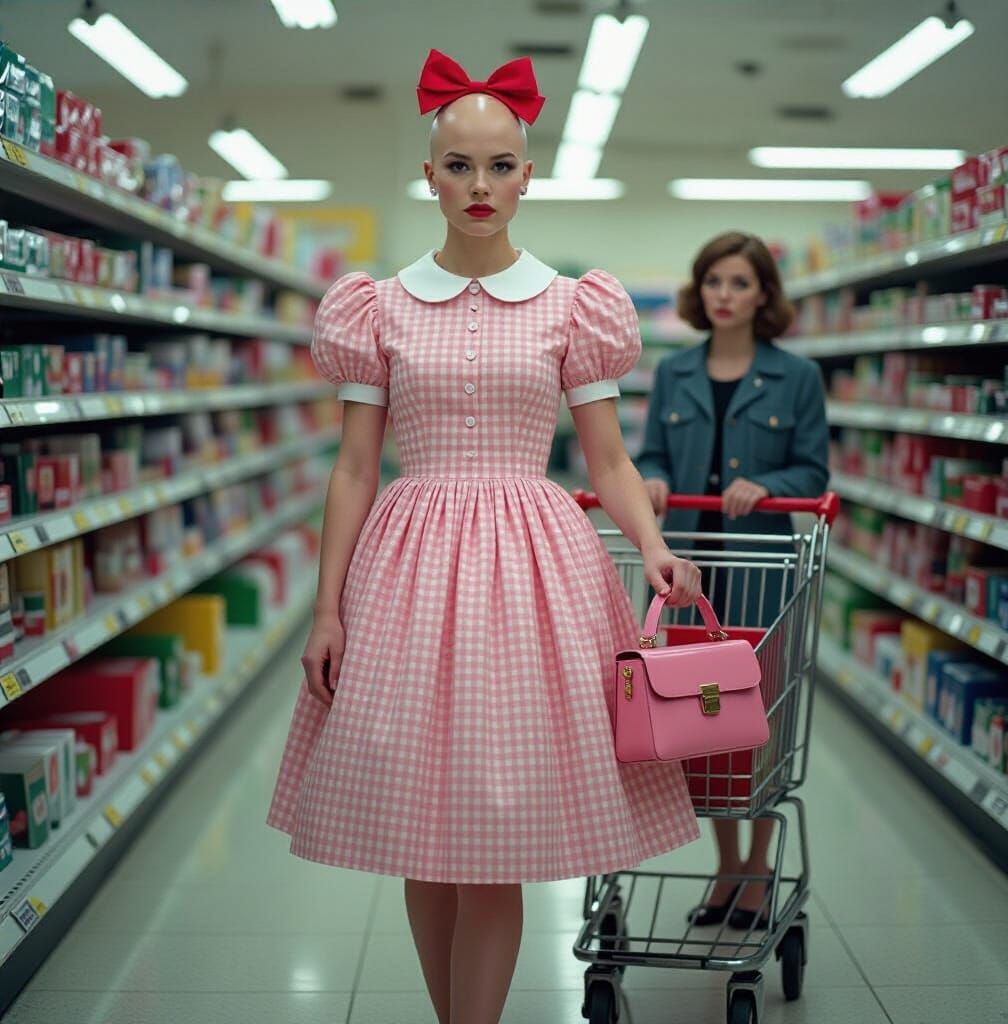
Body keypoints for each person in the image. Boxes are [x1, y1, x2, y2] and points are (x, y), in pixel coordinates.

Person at [267, 50, 703, 1024]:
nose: (479, 186)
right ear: (427, 175)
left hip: (528, 572)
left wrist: (653, 544)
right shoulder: (375, 307)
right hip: (407, 568)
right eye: (458, 165)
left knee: (493, 836)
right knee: (424, 838)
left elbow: (608, 461)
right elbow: (352, 468)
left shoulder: (568, 305)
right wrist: (326, 607)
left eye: (499, 165)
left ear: (528, 176)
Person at [636, 231, 829, 929]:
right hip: (687, 573)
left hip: (761, 574)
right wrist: (652, 475)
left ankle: (757, 866)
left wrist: (769, 485)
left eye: (740, 282)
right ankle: (726, 864)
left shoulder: (797, 378)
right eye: (714, 280)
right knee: (703, 715)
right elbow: (652, 449)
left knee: (762, 718)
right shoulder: (674, 372)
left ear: (764, 295)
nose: (724, 294)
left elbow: (813, 472)